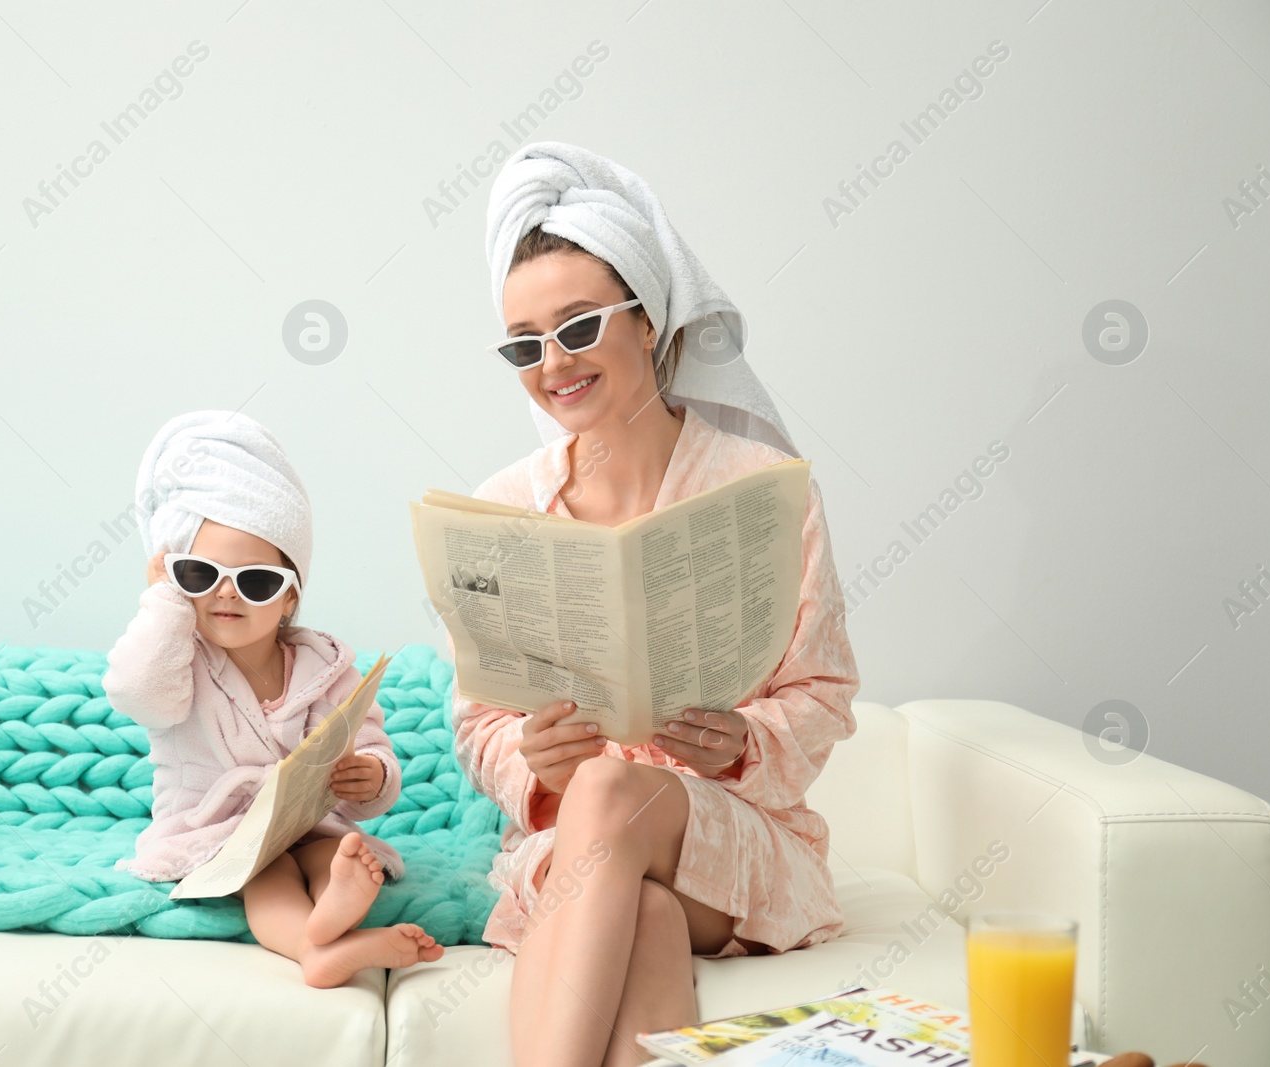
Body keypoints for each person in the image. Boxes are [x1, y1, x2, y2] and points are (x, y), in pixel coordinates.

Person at [453, 142, 861, 1067]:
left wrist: (747, 740)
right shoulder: (507, 508)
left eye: (580, 325)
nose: (553, 363)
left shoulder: (761, 489)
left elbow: (826, 689)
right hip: (585, 859)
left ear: (647, 319)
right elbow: (480, 722)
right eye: (525, 343)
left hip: (727, 843)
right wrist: (528, 754)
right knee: (636, 902)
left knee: (610, 787)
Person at [104, 410, 443, 988]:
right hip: (212, 830)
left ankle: (338, 902)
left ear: (289, 598)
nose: (226, 593)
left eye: (257, 580)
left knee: (333, 853)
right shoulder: (177, 657)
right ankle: (314, 950)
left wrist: (372, 776)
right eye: (198, 574)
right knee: (266, 873)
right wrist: (164, 601)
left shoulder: (325, 664)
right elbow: (138, 694)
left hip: (307, 823)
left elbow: (366, 741)